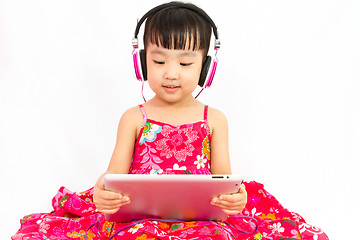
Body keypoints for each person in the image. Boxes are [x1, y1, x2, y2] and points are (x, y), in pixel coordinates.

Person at [13, 2, 328, 239]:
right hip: (137, 219)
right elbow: (111, 179)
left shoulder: (214, 119)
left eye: (186, 62)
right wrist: (103, 194)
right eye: (159, 60)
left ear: (206, 67)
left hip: (202, 221)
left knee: (217, 235)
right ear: (142, 62)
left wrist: (235, 199)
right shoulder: (134, 117)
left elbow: (226, 184)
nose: (171, 73)